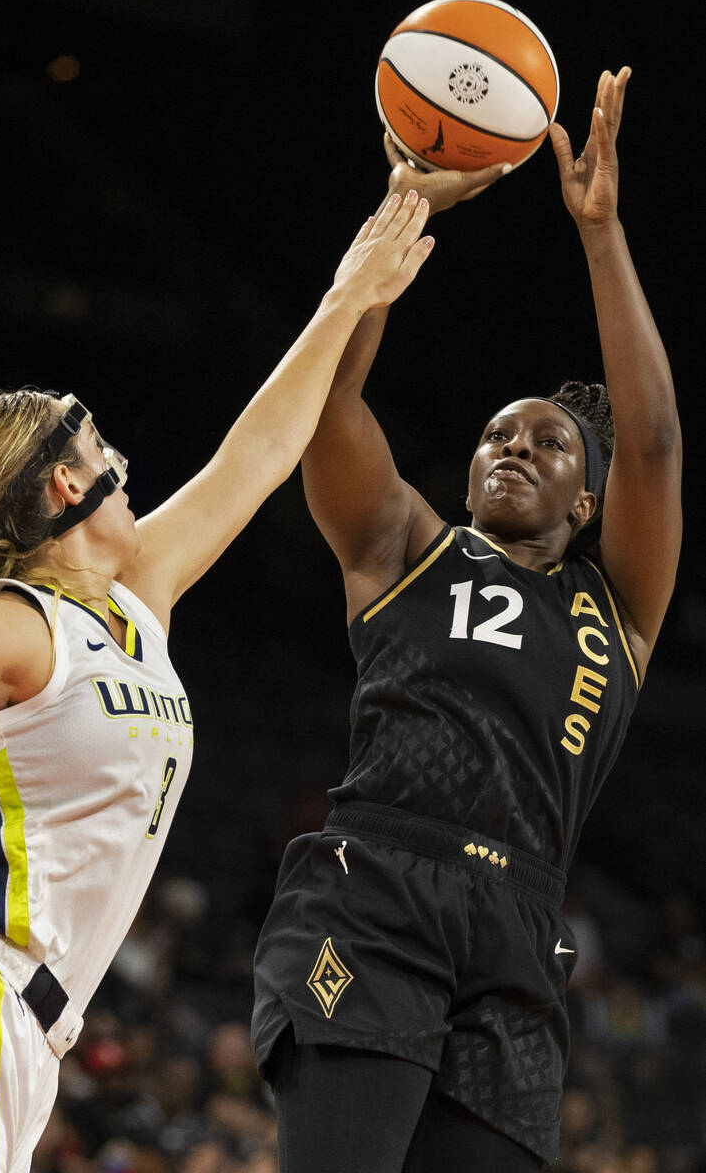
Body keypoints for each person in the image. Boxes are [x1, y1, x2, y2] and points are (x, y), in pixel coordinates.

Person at [0, 187, 467, 1172]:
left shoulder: (129, 604)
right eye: (100, 442)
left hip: (30, 1030)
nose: (122, 459)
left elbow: (261, 453)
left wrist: (347, 298)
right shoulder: (11, 626)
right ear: (66, 481)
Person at [252, 68, 682, 1173]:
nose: (512, 446)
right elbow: (329, 406)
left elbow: (655, 444)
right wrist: (402, 217)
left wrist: (599, 230)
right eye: (497, 433)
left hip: (520, 925)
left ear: (587, 504)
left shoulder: (618, 607)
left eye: (545, 443)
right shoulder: (405, 545)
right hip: (376, 886)